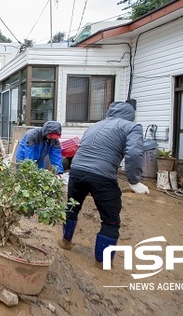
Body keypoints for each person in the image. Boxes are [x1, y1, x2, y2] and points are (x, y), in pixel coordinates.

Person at [59, 101, 149, 268]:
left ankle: (65, 241)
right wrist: (134, 181)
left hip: (77, 171)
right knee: (110, 221)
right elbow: (134, 153)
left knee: (72, 207)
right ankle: (102, 263)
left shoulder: (95, 126)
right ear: (131, 115)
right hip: (103, 176)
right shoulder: (132, 127)